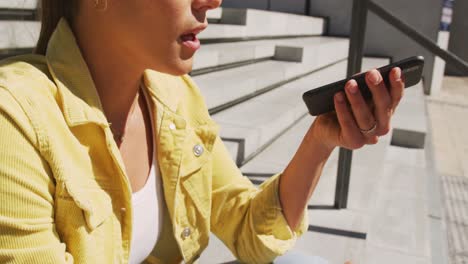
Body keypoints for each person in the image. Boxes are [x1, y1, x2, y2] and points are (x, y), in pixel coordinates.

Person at [0, 0, 405, 263]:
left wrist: (321, 140)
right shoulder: (15, 118)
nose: (212, 1)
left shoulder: (173, 97)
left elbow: (247, 228)